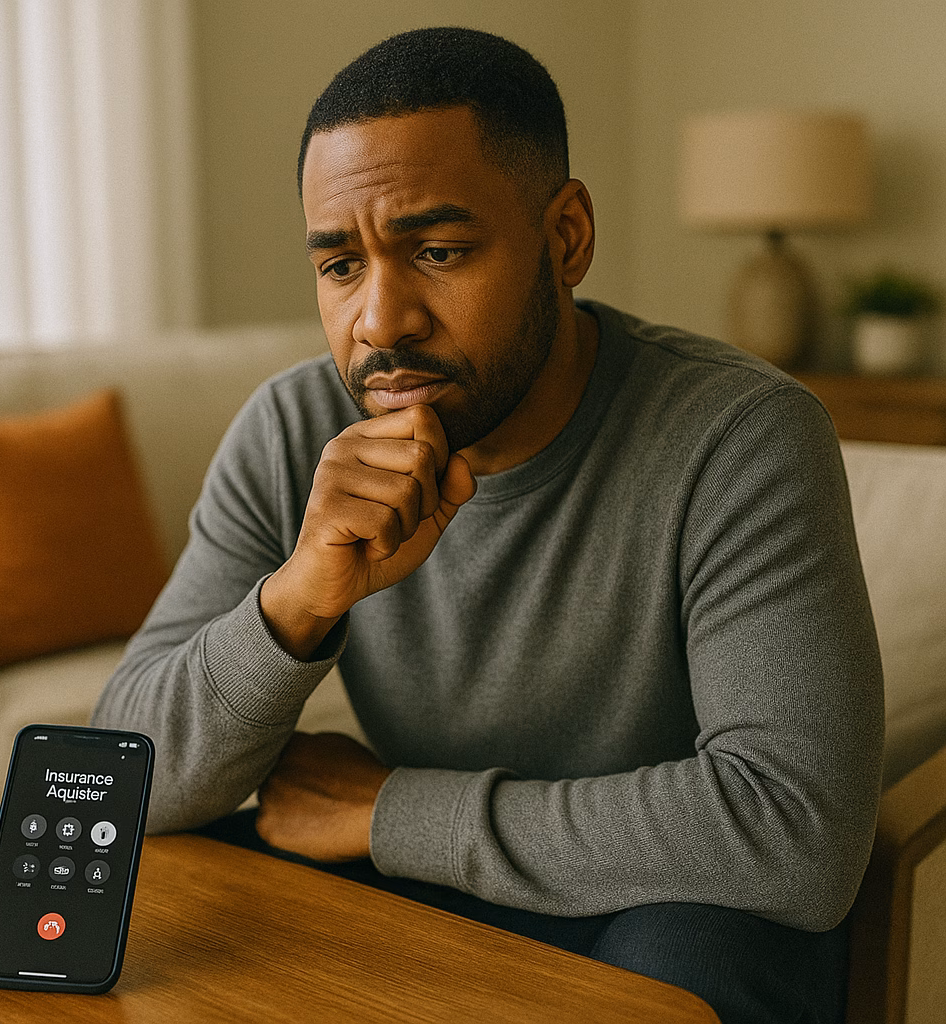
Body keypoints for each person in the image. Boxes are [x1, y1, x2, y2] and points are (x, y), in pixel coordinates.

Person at [93, 26, 884, 1023]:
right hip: (438, 879)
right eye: (340, 265)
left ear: (566, 238)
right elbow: (119, 780)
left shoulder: (739, 434)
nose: (381, 319)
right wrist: (297, 601)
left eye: (437, 250)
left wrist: (388, 811)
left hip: (667, 901)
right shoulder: (294, 430)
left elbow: (792, 835)